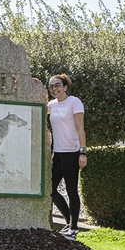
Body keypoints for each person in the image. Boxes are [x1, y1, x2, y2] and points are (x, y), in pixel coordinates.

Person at [47, 74, 87, 241]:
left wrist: (83, 152)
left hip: (72, 152)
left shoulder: (74, 102)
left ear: (65, 86)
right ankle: (70, 222)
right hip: (58, 152)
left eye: (57, 85)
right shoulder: (51, 105)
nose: (55, 88)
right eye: (51, 87)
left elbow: (80, 128)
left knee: (71, 190)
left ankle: (74, 228)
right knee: (51, 190)